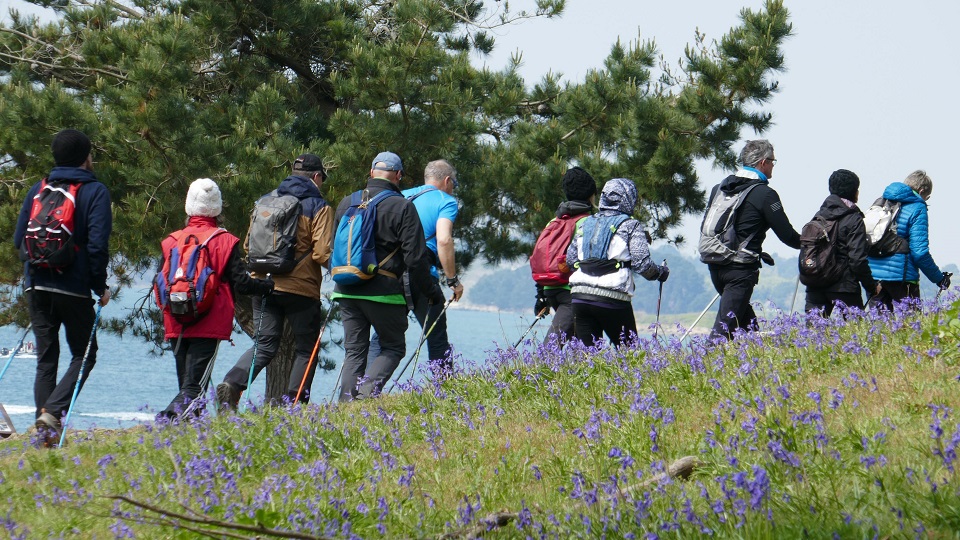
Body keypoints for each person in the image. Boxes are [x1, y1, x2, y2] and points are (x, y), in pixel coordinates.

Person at [13, 129, 112, 443]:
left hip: (36, 284)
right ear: (85, 157)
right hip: (73, 286)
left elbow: (18, 240)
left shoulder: (38, 188)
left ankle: (44, 436)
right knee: (84, 355)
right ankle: (53, 414)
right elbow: (97, 247)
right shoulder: (95, 191)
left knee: (46, 359)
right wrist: (99, 287)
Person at [216, 154, 334, 409]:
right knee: (306, 349)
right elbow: (322, 253)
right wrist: (342, 270)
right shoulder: (318, 206)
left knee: (265, 345)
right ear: (316, 177)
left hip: (263, 283)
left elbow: (248, 246)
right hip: (300, 289)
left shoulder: (265, 201)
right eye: (322, 179)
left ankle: (232, 383)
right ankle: (293, 404)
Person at [157, 178, 273, 420]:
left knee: (187, 384)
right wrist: (266, 287)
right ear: (217, 208)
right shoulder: (224, 240)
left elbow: (160, 280)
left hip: (176, 319)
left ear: (189, 206)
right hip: (208, 322)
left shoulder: (171, 241)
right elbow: (241, 283)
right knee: (195, 387)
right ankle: (168, 419)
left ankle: (192, 428)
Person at [333, 151, 444, 400]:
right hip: (382, 291)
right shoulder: (403, 206)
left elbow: (334, 247)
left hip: (346, 289)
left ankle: (346, 406)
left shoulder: (347, 202)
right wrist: (431, 292)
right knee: (393, 346)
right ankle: (364, 398)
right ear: (398, 175)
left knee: (354, 352)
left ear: (371, 172)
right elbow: (415, 259)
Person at [369, 159, 463, 375]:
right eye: (454, 184)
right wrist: (452, 280)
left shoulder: (402, 195)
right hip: (421, 272)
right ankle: (442, 388)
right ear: (447, 180)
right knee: (436, 335)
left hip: (389, 273)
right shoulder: (446, 201)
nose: (453, 188)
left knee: (382, 336)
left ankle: (364, 389)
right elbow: (444, 240)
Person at [702, 140, 801, 340]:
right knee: (722, 333)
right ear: (763, 162)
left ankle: (759, 356)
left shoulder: (718, 189)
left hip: (715, 264)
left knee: (747, 328)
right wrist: (812, 243)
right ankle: (704, 359)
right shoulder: (765, 194)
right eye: (773, 161)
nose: (773, 166)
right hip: (740, 270)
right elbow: (787, 235)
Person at [565, 178, 668, 347]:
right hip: (612, 297)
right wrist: (660, 272)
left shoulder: (587, 223)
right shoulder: (630, 225)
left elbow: (570, 260)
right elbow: (642, 265)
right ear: (629, 198)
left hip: (580, 296)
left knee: (589, 356)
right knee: (630, 352)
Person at [867, 170, 950, 309]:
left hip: (873, 277)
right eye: (927, 197)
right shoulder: (918, 207)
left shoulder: (882, 201)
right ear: (921, 191)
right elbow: (920, 253)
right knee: (911, 320)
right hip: (902, 277)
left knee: (879, 322)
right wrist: (939, 279)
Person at [533, 167, 597, 345]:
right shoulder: (589, 223)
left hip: (551, 290)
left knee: (583, 346)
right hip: (573, 293)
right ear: (591, 195)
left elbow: (542, 257)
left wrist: (540, 296)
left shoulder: (553, 222)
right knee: (550, 349)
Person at [802, 169, 878, 316]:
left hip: (815, 284)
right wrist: (871, 286)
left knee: (814, 329)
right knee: (855, 328)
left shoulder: (818, 216)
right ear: (855, 192)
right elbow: (857, 260)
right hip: (844, 286)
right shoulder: (854, 219)